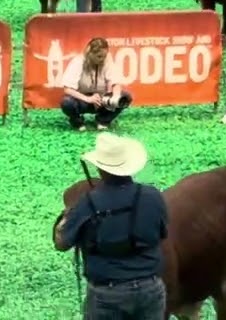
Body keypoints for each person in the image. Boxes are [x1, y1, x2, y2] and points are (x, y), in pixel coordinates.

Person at [54, 133, 168, 320]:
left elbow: (62, 243)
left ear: (100, 168)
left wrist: (64, 220)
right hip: (151, 287)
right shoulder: (153, 196)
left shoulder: (88, 203)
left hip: (107, 292)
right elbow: (161, 234)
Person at [61, 38, 133, 132]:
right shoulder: (78, 61)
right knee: (67, 102)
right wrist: (88, 99)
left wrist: (114, 97)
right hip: (83, 100)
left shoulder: (107, 60)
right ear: (90, 53)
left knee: (125, 97)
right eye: (99, 56)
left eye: (104, 56)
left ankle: (103, 120)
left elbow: (116, 82)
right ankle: (77, 121)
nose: (102, 59)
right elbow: (67, 89)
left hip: (102, 100)